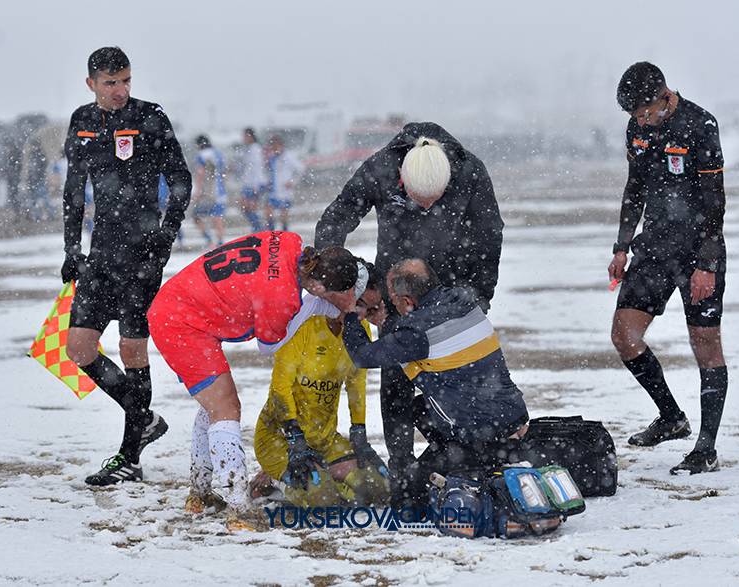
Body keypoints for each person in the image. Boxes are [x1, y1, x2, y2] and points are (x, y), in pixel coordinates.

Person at [314, 122, 505, 506]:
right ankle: (403, 467)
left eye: (436, 202)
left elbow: (490, 235)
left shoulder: (470, 170)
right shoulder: (381, 168)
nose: (427, 210)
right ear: (401, 181)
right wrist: (341, 281)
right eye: (420, 202)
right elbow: (335, 220)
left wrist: (479, 296)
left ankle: (461, 455)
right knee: (396, 378)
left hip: (450, 289)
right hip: (396, 287)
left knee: (459, 381)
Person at [147, 231, 361, 522]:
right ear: (318, 287)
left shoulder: (290, 241)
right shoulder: (284, 297)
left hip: (184, 296)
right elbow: (268, 345)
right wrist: (317, 307)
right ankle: (237, 509)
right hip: (181, 320)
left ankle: (198, 495)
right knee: (226, 407)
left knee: (214, 403)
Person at [61, 46, 192, 486]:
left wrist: (165, 236)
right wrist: (70, 249)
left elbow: (181, 181)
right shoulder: (82, 123)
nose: (120, 90)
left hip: (142, 255)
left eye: (126, 81)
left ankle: (129, 456)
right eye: (111, 83)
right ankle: (145, 420)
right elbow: (74, 191)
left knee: (133, 350)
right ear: (92, 84)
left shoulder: (150, 116)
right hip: (100, 255)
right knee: (78, 349)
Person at [609, 62, 728, 475]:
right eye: (634, 117)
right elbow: (634, 188)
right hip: (654, 251)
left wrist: (707, 265)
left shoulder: (700, 124)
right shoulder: (636, 130)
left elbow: (715, 203)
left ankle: (706, 448)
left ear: (664, 96)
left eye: (645, 112)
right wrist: (621, 247)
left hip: (698, 252)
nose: (641, 121)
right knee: (624, 335)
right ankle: (671, 418)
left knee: (705, 344)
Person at [341, 258, 529, 510]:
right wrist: (390, 323)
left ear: (407, 301)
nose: (390, 302)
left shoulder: (416, 333)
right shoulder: (464, 301)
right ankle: (473, 456)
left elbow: (362, 356)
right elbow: (425, 334)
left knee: (406, 500)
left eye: (394, 298)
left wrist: (351, 315)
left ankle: (469, 463)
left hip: (478, 432)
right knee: (419, 406)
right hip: (508, 415)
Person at [190, 134, 228, 247]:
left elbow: (200, 174)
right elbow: (225, 171)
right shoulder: (219, 153)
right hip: (220, 191)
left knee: (196, 216)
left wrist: (197, 192)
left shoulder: (201, 155)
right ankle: (221, 242)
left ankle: (209, 240)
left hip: (208, 192)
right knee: (217, 217)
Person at [264, 135, 304, 231]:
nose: (273, 148)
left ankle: (284, 232)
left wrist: (292, 182)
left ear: (281, 145)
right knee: (268, 211)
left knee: (283, 213)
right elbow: (269, 172)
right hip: (273, 190)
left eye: (275, 146)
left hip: (285, 190)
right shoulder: (272, 158)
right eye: (272, 146)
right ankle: (271, 232)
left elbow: (301, 168)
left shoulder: (288, 157)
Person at [239, 127, 267, 232]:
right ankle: (258, 227)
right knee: (246, 208)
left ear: (251, 136)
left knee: (249, 207)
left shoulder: (255, 149)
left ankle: (259, 228)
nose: (243, 138)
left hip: (255, 183)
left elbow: (257, 167)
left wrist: (256, 185)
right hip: (248, 183)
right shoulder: (248, 149)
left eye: (245, 136)